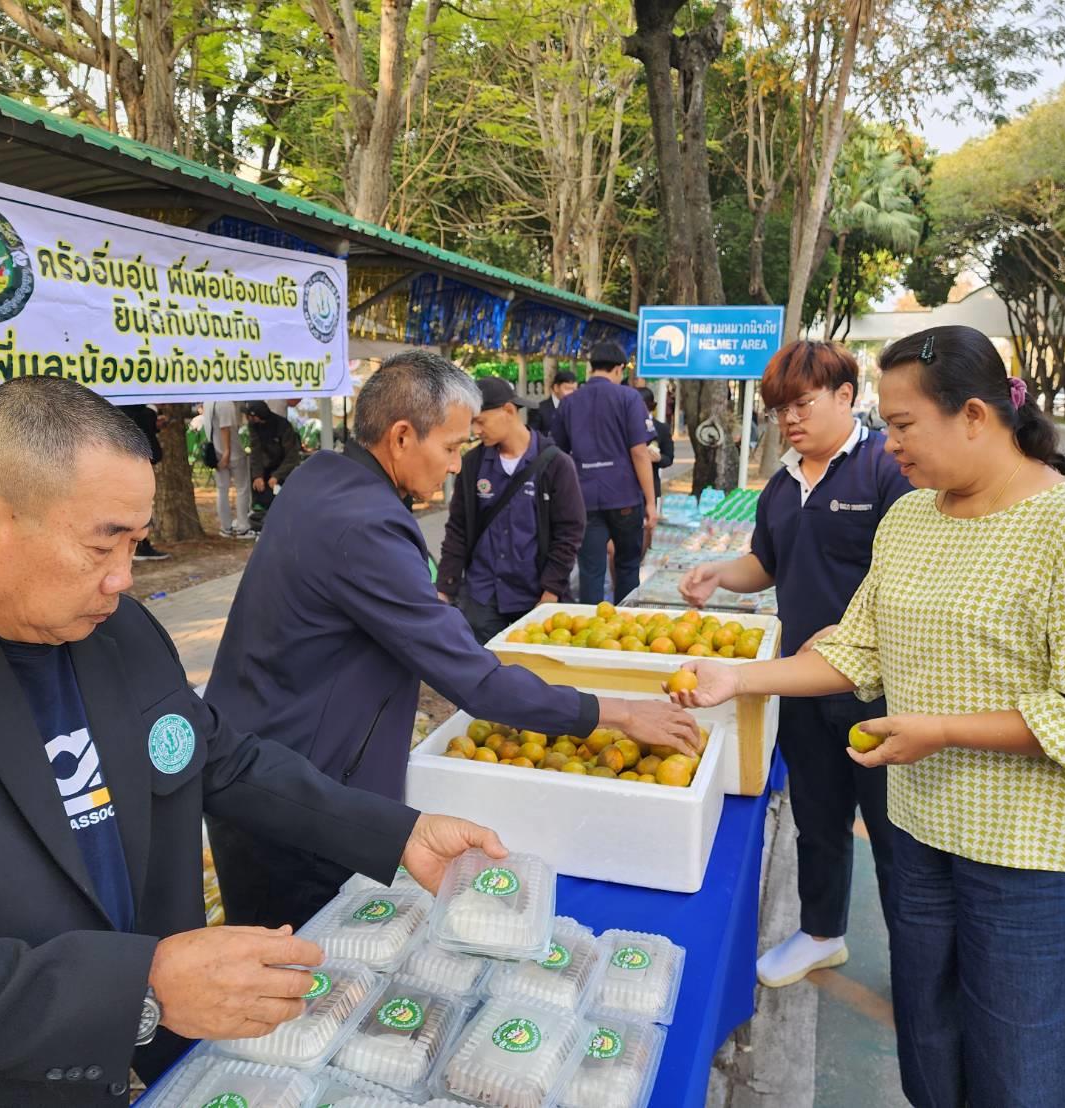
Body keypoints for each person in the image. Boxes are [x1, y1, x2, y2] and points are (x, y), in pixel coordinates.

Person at [0, 375, 504, 1107]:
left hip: (153, 1069)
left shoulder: (115, 631)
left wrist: (395, 832)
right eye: (102, 546)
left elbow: (217, 758)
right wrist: (135, 989)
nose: (122, 580)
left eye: (134, 544)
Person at [671, 325, 1065, 1108]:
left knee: (1034, 1061)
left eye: (902, 425)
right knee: (934, 1044)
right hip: (926, 830)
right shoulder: (911, 521)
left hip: (1040, 858)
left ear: (973, 415)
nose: (890, 442)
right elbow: (854, 652)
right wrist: (735, 678)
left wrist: (940, 728)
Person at [204, 350, 701, 929]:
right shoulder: (364, 524)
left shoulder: (322, 477)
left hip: (262, 768)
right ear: (400, 437)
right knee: (302, 977)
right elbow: (476, 681)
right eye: (451, 448)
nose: (457, 467)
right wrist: (615, 713)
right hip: (297, 798)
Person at [679, 341, 909, 988]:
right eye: (780, 409)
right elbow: (768, 565)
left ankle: (917, 967)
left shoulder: (884, 472)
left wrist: (853, 628)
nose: (789, 420)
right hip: (801, 684)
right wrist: (719, 576)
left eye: (801, 404)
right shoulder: (780, 485)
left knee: (897, 838)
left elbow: (910, 579)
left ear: (845, 396)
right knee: (816, 817)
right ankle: (820, 933)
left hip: (881, 689)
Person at [437, 376, 586, 644]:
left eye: (480, 421)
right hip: (482, 597)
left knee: (530, 678)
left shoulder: (555, 464)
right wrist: (445, 587)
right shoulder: (473, 464)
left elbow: (569, 533)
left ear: (508, 411)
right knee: (483, 674)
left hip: (533, 597)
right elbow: (458, 527)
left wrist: (551, 592)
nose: (476, 430)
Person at [551, 341, 657, 603]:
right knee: (628, 566)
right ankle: (626, 625)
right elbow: (640, 452)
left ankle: (591, 634)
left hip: (584, 500)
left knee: (591, 571)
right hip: (624, 498)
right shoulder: (629, 397)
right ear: (619, 369)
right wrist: (651, 501)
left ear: (591, 367)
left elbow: (559, 453)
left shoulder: (569, 403)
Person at [118, 403, 172, 561]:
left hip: (124, 463)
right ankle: (139, 544)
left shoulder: (130, 407)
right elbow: (145, 435)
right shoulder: (143, 409)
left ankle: (136, 543)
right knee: (137, 506)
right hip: (134, 465)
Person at [243, 400, 306, 531]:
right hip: (265, 468)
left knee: (283, 500)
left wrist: (277, 476)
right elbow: (256, 451)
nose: (248, 419)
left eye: (251, 416)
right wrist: (258, 475)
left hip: (282, 468)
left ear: (259, 416)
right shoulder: (253, 426)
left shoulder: (283, 426)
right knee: (261, 497)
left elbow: (291, 456)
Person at [204, 398, 254, 538]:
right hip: (231, 453)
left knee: (222, 490)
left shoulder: (208, 401)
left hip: (216, 451)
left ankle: (226, 526)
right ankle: (243, 526)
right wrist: (227, 451)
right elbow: (224, 427)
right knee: (242, 489)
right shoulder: (224, 402)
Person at [636, 385, 675, 503]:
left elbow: (669, 458)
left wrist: (658, 458)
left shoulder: (661, 428)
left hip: (649, 488)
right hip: (623, 488)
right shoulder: (621, 426)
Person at [529, 367, 578, 433]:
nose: (572, 393)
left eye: (574, 389)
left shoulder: (578, 409)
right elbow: (532, 438)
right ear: (556, 388)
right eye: (568, 388)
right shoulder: (539, 410)